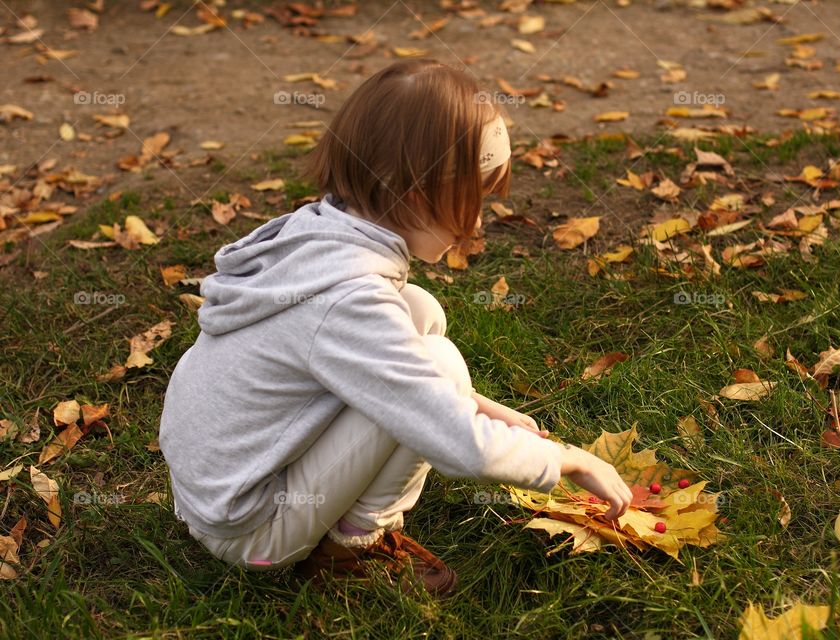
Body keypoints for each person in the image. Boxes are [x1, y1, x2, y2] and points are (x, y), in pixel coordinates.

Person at [158, 59, 632, 599]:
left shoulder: (317, 236)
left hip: (216, 486)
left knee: (420, 311)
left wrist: (483, 407)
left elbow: (391, 370)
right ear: (415, 194)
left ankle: (340, 522)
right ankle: (351, 548)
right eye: (470, 202)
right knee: (440, 365)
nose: (477, 225)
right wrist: (569, 459)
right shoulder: (349, 300)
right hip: (251, 530)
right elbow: (460, 446)